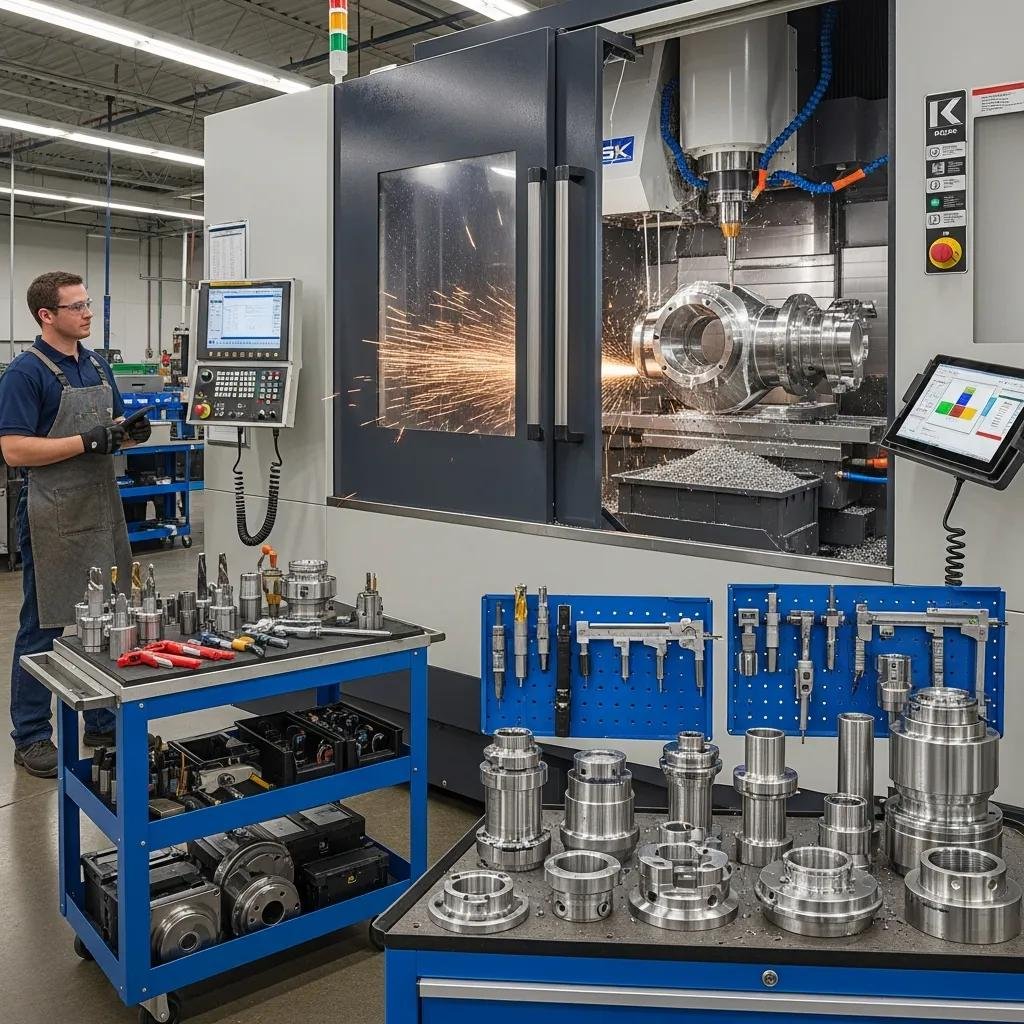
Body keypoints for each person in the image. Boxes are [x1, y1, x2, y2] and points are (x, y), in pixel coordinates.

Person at [0, 271, 151, 777]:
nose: (88, 312)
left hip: (102, 507)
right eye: (77, 306)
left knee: (111, 617)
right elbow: (14, 448)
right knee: (43, 623)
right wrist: (87, 441)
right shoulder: (27, 373)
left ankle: (104, 720)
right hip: (53, 511)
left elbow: (109, 431)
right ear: (47, 315)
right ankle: (32, 734)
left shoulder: (97, 365)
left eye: (87, 303)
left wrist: (127, 436)